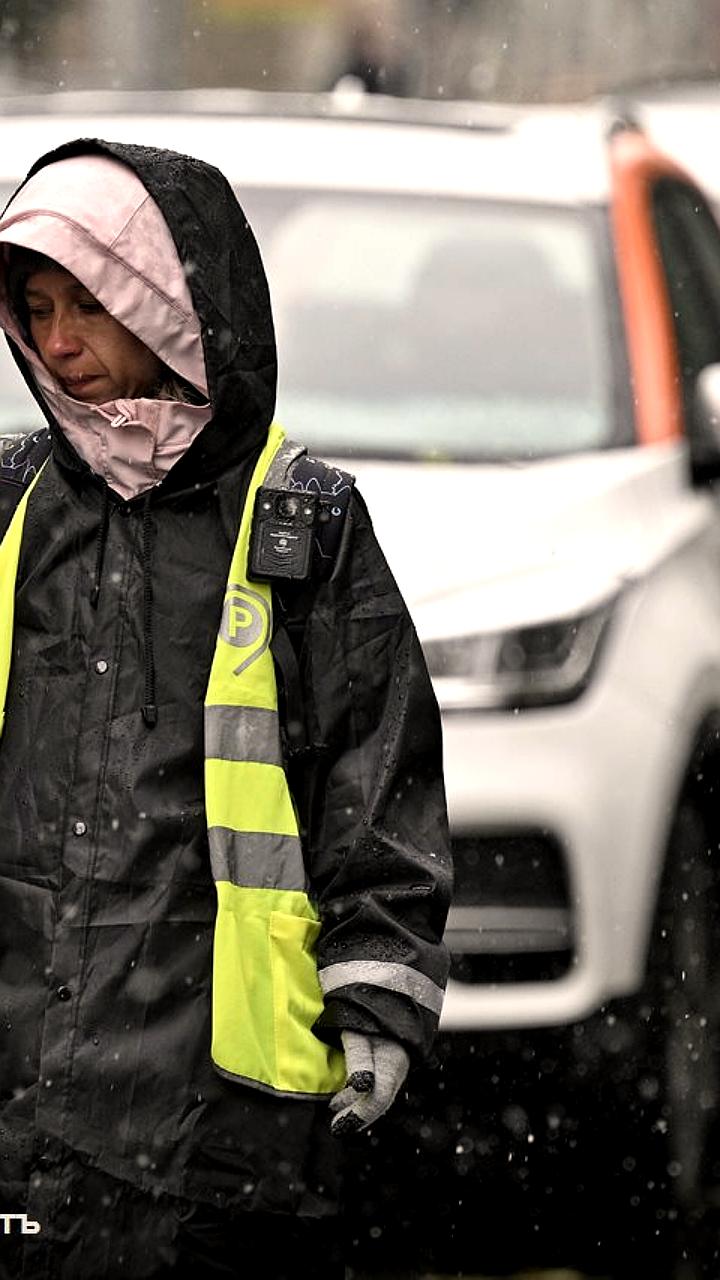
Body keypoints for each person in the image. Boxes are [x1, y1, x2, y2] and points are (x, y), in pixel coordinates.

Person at [0, 140, 452, 1279]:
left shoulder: (303, 522)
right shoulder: (19, 502)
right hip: (19, 1082)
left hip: (215, 1112)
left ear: (170, 298)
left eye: (92, 304)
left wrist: (377, 993)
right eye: (38, 309)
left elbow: (376, 773)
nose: (59, 343)